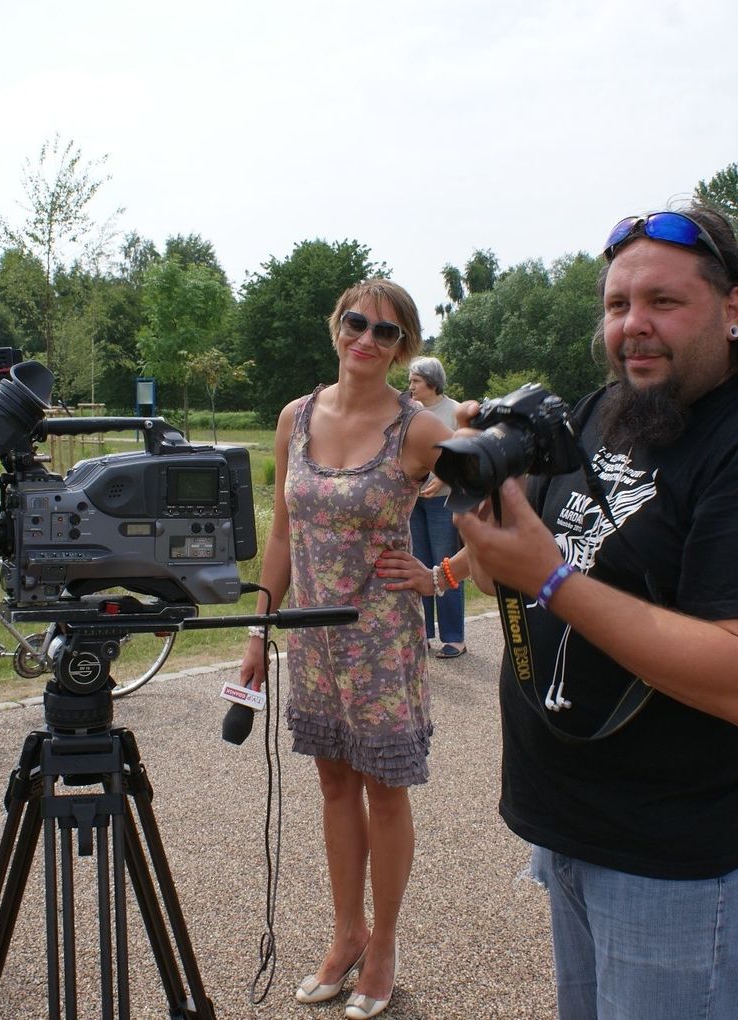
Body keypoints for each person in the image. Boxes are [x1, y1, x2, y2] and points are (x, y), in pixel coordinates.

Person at [451, 208, 738, 1019]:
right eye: (617, 304)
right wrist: (490, 518)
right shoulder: (605, 414)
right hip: (568, 823)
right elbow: (511, 582)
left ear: (733, 310)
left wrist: (551, 579)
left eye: (663, 302)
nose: (633, 325)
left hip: (675, 852)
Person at [238, 280, 450, 1020]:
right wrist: (259, 629)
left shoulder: (419, 430)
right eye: (357, 322)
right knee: (333, 785)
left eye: (386, 332)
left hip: (383, 643)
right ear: (337, 327)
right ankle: (346, 932)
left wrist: (442, 574)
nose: (367, 339)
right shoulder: (295, 417)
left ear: (403, 347)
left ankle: (383, 944)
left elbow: (498, 503)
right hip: (312, 639)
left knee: (384, 789)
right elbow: (281, 534)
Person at [405, 356, 467, 658]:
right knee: (419, 565)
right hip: (413, 501)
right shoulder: (408, 411)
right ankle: (424, 634)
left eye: (415, 380)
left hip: (444, 501)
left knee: (446, 566)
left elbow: (466, 455)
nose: (410, 386)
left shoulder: (455, 411)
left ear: (432, 382)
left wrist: (442, 477)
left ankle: (454, 638)